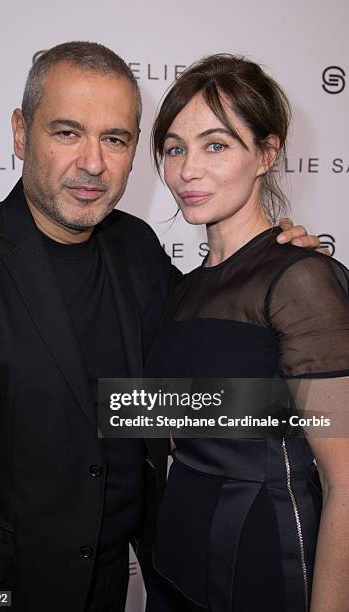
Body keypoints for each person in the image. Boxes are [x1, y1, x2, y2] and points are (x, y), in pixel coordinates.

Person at [0, 42, 320, 612]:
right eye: (67, 133)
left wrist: (281, 262)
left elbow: (199, 350)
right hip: (2, 585)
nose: (93, 163)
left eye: (115, 139)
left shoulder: (136, 246)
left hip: (127, 578)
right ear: (22, 134)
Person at [145, 54, 349, 612]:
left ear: (267, 153)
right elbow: (174, 425)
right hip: (172, 567)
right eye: (175, 148)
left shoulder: (301, 279)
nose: (188, 170)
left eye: (216, 145)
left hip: (263, 571)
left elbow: (346, 482)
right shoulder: (181, 289)